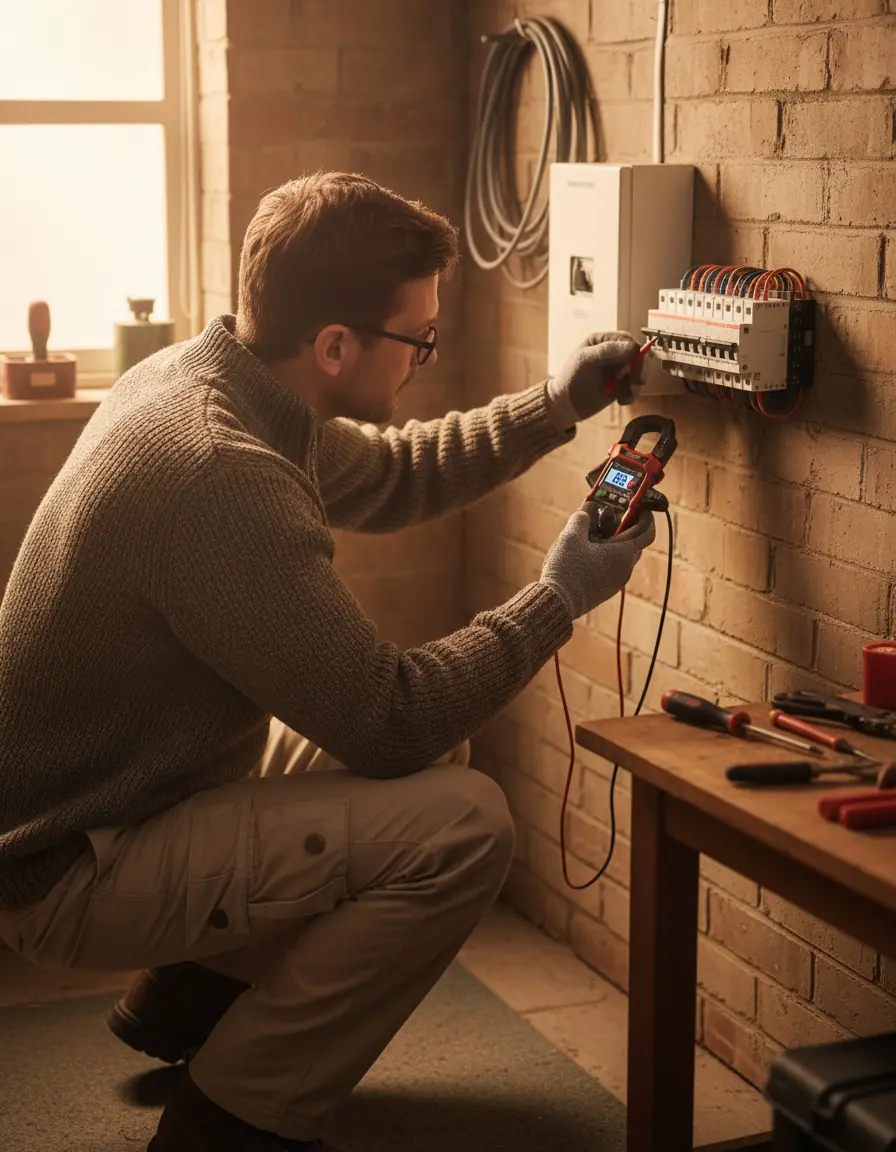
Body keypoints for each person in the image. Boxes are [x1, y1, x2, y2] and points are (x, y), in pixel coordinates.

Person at [0, 172, 656, 1152]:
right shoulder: (220, 470)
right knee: (464, 824)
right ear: (336, 346)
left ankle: (186, 1004)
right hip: (68, 863)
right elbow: (386, 714)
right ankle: (233, 1117)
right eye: (418, 340)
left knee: (433, 761)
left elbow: (397, 473)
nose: (425, 360)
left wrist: (555, 403)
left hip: (116, 797)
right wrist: (558, 595)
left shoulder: (209, 380)